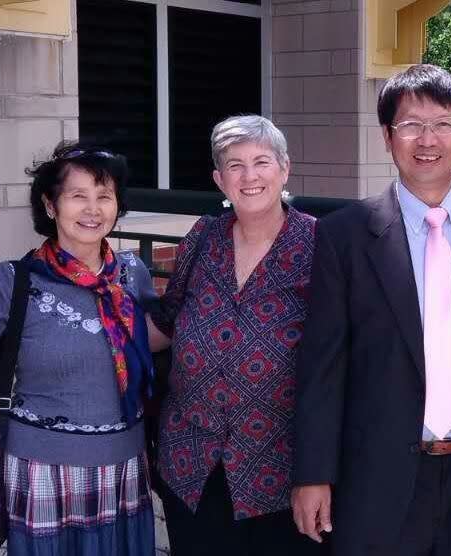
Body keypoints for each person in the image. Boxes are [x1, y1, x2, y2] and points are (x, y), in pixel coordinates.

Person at [291, 64, 451, 556]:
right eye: (410, 125)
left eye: (443, 123)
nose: (427, 139)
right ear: (387, 136)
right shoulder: (345, 234)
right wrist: (313, 474)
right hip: (378, 473)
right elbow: (322, 364)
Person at [0, 143, 156, 555]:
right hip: (44, 475)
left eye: (104, 196)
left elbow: (156, 342)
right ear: (50, 205)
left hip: (123, 469)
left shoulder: (132, 275)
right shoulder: (16, 280)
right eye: (78, 195)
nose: (93, 209)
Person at [145, 115, 325, 556]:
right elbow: (165, 324)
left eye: (262, 162)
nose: (249, 176)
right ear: (218, 179)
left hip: (280, 470)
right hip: (192, 462)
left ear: (284, 169)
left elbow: (342, 354)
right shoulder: (203, 237)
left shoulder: (320, 244)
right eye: (234, 165)